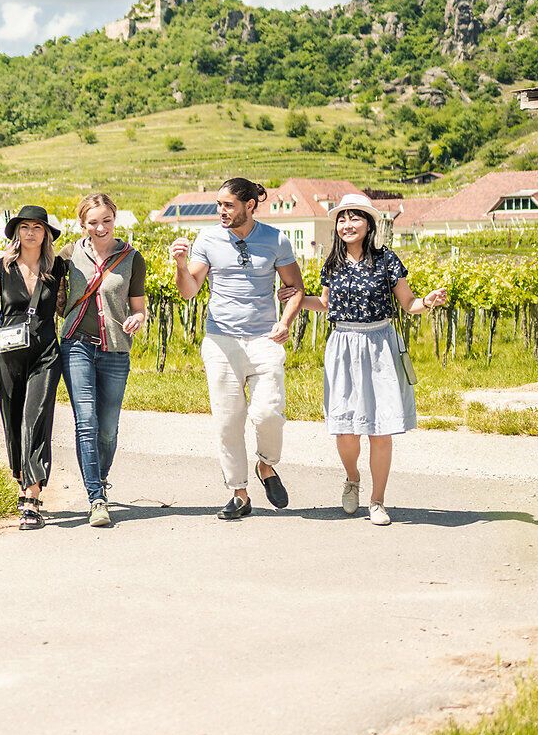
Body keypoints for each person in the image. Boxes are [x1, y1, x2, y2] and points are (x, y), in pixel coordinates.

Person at [296, 193, 447, 525]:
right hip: (343, 343)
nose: (347, 225)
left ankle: (377, 501)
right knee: (345, 429)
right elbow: (324, 305)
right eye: (342, 219)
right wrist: (295, 300)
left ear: (369, 225)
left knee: (381, 429)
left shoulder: (386, 260)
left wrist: (429, 301)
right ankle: (352, 478)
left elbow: (409, 303)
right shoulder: (331, 264)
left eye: (355, 218)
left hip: (379, 344)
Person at [170, 177, 305, 520]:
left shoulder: (275, 239)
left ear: (249, 205)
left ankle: (266, 465)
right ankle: (239, 493)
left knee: (268, 412)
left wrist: (285, 322)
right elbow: (189, 291)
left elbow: (296, 288)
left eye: (228, 205)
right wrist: (181, 266)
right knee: (229, 421)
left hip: (264, 339)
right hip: (221, 341)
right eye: (219, 205)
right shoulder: (209, 238)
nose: (221, 212)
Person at [0, 205, 70, 531]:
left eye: (37, 227)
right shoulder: (1, 266)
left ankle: (32, 496)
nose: (30, 232)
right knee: (12, 421)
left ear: (46, 234)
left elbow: (67, 306)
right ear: (16, 232)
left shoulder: (58, 268)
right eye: (24, 226)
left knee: (34, 420)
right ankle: (22, 475)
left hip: (45, 355)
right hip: (7, 356)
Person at [59, 193, 148, 528]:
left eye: (106, 220)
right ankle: (96, 497)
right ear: (83, 224)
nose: (100, 228)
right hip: (76, 345)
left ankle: (100, 478)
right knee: (87, 421)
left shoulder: (132, 258)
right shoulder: (68, 255)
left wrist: (138, 319)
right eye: (93, 222)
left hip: (115, 349)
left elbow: (138, 307)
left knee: (108, 429)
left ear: (115, 218)